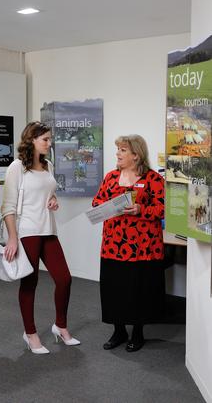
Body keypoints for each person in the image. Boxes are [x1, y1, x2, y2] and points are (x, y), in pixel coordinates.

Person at [1, 122, 80, 354]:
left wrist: (54, 199)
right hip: (27, 231)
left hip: (48, 229)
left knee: (64, 279)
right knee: (30, 282)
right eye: (45, 139)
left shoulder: (49, 165)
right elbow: (8, 206)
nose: (49, 142)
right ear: (32, 140)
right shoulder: (17, 167)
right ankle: (30, 333)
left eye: (49, 139)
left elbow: (49, 192)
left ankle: (60, 326)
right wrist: (13, 238)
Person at [92, 134, 165, 352]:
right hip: (113, 246)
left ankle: (138, 333)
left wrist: (141, 209)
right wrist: (108, 206)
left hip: (143, 248)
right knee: (115, 289)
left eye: (123, 150)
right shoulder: (111, 177)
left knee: (138, 290)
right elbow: (97, 201)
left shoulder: (153, 179)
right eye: (118, 150)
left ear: (136, 155)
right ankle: (119, 331)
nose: (118, 154)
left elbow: (162, 209)